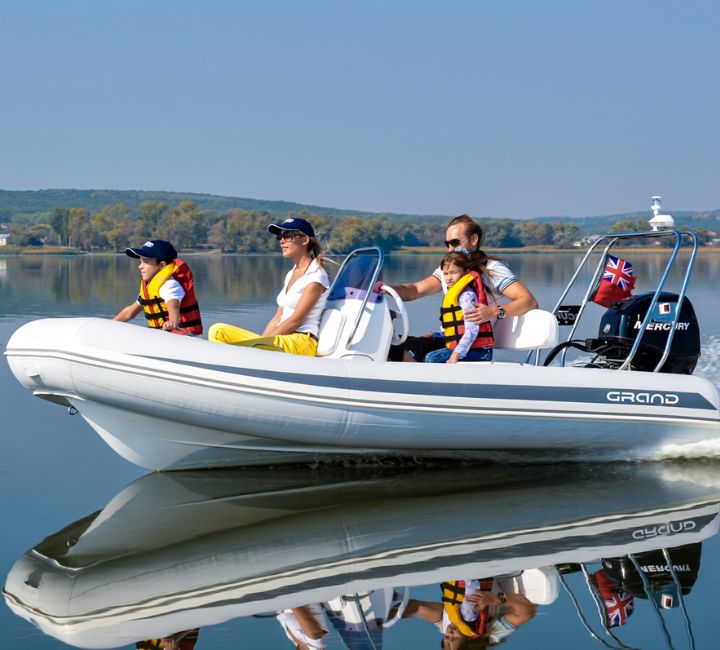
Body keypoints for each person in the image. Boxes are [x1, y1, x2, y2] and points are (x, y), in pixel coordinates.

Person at [388, 214, 537, 362]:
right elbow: (415, 290)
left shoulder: (493, 269)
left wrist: (492, 312)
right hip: (450, 340)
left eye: (455, 243)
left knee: (424, 356)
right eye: (448, 244)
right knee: (394, 346)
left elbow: (529, 302)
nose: (450, 249)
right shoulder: (449, 272)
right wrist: (383, 288)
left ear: (473, 240)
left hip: (474, 347)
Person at [208, 218, 329, 356]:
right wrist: (261, 341)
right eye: (280, 236)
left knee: (240, 348)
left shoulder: (316, 277)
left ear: (305, 240)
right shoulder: (292, 273)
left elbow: (296, 320)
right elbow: (278, 318)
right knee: (218, 331)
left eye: (287, 235)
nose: (281, 241)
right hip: (282, 337)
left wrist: (262, 345)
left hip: (301, 341)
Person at [113, 240, 203, 335]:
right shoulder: (149, 288)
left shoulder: (169, 285)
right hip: (160, 335)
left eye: (145, 262)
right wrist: (111, 323)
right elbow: (130, 312)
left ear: (162, 265)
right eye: (140, 261)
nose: (140, 266)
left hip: (180, 336)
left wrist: (172, 322)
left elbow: (174, 305)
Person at [424, 249, 494, 364]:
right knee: (424, 349)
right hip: (467, 349)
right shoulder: (454, 294)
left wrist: (456, 355)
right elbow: (453, 328)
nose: (449, 278)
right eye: (446, 274)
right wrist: (434, 335)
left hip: (481, 352)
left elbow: (472, 330)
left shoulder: (467, 296)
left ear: (466, 272)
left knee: (431, 358)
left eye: (454, 272)